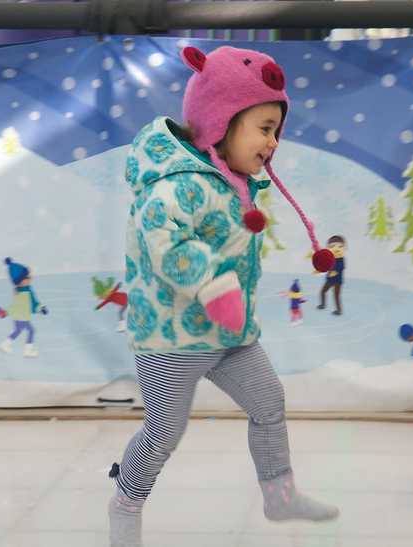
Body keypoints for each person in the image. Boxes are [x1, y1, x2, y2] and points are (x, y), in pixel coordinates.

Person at [108, 45, 338, 547]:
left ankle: (279, 495)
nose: (273, 142)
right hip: (171, 337)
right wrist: (215, 287)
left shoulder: (232, 181)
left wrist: (228, 303)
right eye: (263, 128)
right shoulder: (177, 184)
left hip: (228, 332)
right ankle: (126, 501)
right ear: (220, 123)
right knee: (163, 434)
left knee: (269, 401)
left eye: (277, 130)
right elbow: (164, 241)